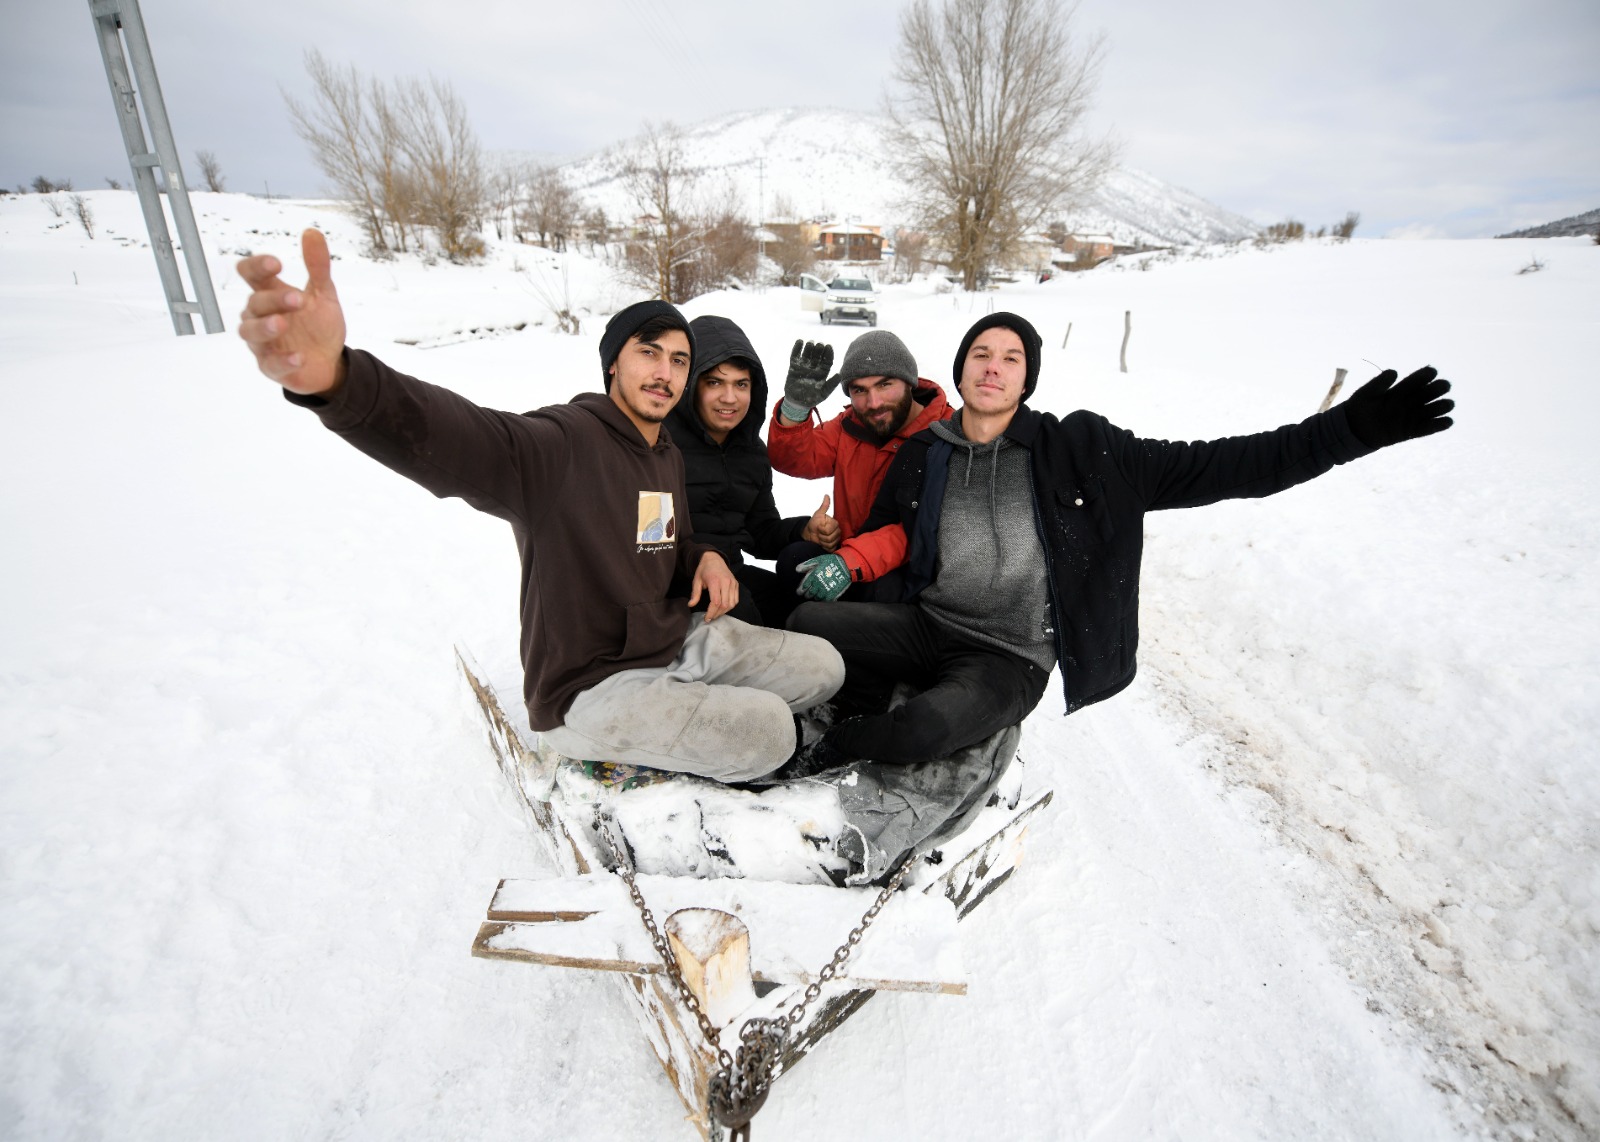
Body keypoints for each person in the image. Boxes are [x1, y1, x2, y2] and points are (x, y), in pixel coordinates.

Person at [235, 229, 844, 783]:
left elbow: (667, 542)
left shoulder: (663, 456)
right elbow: (459, 436)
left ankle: (691, 714)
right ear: (614, 364)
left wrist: (704, 557)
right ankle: (596, 749)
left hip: (673, 642)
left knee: (824, 667)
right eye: (649, 353)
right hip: (592, 685)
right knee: (769, 732)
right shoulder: (562, 443)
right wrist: (338, 382)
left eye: (679, 361)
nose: (665, 372)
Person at [783, 311, 1454, 775]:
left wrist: (1343, 434)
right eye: (981, 355)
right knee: (807, 620)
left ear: (1026, 379)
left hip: (1005, 655)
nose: (993, 367)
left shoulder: (1080, 451)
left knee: (920, 732)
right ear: (959, 372)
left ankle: (833, 752)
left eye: (1010, 358)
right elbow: (896, 534)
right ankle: (851, 705)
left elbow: (1225, 466)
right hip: (929, 626)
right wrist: (842, 560)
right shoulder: (927, 453)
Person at [666, 315, 838, 627]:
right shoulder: (661, 444)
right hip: (676, 585)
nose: (729, 398)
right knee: (745, 611)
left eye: (740, 384)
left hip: (733, 573)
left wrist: (804, 529)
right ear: (691, 384)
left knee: (806, 616)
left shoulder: (752, 452)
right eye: (715, 382)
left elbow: (760, 534)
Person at [767, 330, 951, 602]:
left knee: (880, 592)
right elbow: (793, 459)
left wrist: (851, 560)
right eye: (860, 390)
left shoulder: (945, 435)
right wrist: (795, 409)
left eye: (885, 385)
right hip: (849, 557)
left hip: (911, 569)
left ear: (909, 382)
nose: (874, 403)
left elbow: (925, 527)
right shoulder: (851, 425)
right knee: (793, 561)